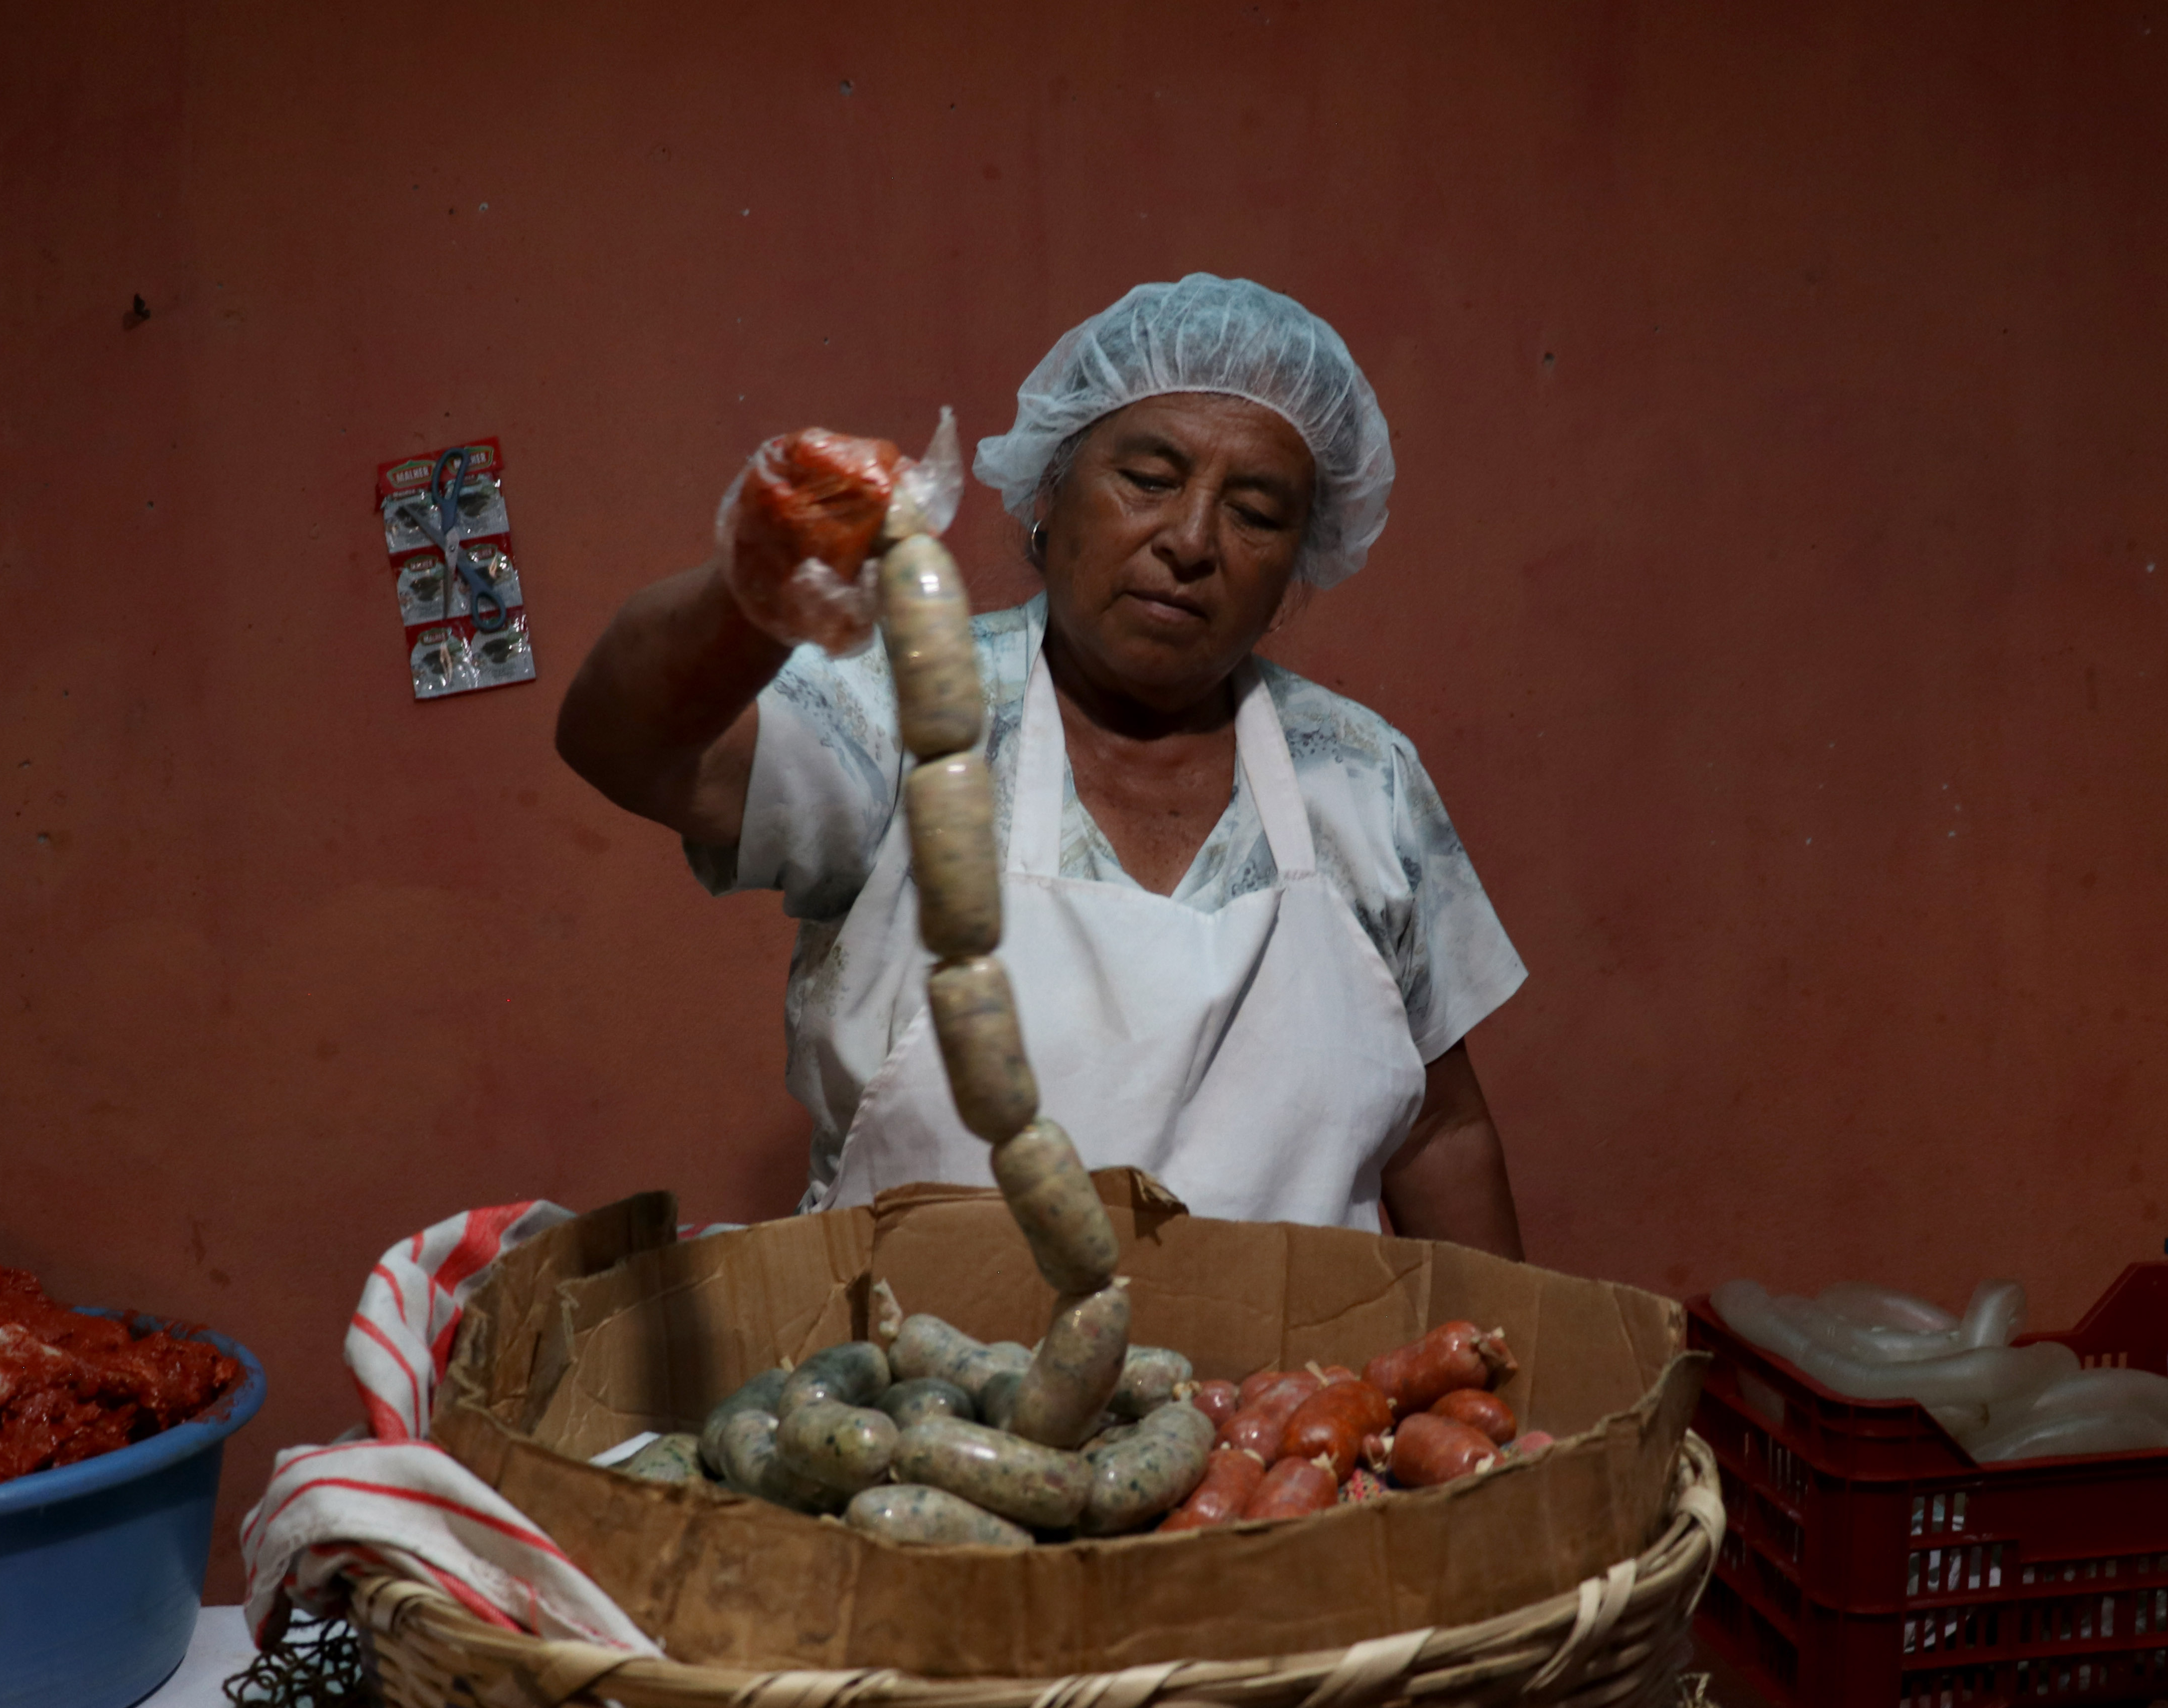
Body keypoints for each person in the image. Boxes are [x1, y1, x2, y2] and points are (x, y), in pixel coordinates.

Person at [558, 274, 1527, 1256]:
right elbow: (627, 747)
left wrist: (1508, 1378)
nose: (1191, 540)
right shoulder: (901, 708)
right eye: (1149, 478)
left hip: (1290, 1392)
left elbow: (1442, 1129)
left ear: (1295, 569)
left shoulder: (1361, 775)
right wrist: (756, 580)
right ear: (1047, 499)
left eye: (1258, 512)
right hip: (924, 1392)